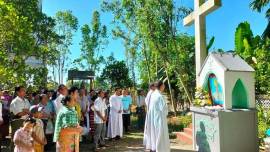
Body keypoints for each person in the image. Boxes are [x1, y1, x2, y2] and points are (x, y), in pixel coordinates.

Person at [144, 81, 170, 152]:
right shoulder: (160, 96)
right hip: (159, 118)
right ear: (161, 86)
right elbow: (164, 109)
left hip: (153, 117)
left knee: (154, 133)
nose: (164, 87)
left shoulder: (153, 94)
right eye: (164, 85)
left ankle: (154, 147)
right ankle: (160, 149)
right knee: (160, 134)